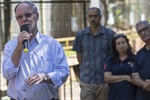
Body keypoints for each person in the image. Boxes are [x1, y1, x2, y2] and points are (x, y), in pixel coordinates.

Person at [2, 1, 70, 100]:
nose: (24, 19)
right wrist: (18, 47)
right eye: (20, 17)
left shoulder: (52, 44)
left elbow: (63, 72)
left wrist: (45, 77)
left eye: (28, 15)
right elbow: (7, 74)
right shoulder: (10, 46)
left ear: (37, 16)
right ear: (16, 20)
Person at [72, 7, 116, 100]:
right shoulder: (81, 35)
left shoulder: (110, 34)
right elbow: (79, 55)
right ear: (87, 17)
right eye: (90, 16)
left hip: (104, 82)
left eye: (95, 16)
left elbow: (114, 55)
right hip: (86, 82)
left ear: (100, 17)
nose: (93, 19)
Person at [104, 33, 136, 100]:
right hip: (114, 96)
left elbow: (135, 79)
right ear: (115, 47)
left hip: (131, 95)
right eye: (118, 44)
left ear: (127, 44)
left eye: (123, 42)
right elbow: (107, 78)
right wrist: (126, 77)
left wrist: (114, 78)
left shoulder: (135, 59)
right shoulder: (110, 60)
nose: (121, 45)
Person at [132, 20, 150, 100]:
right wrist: (145, 85)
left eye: (145, 29)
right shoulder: (139, 54)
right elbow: (134, 76)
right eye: (140, 32)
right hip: (143, 96)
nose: (143, 33)